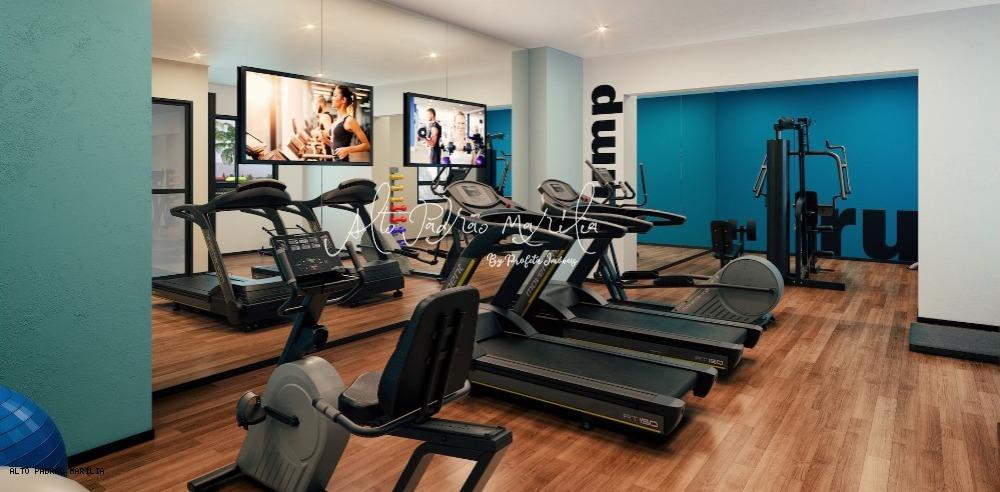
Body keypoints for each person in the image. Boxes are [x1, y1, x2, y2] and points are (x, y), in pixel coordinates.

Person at [329, 85, 370, 162]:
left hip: (342, 164)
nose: (332, 98)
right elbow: (336, 146)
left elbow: (366, 145)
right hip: (334, 163)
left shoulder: (349, 120)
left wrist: (348, 149)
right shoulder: (336, 121)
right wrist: (325, 140)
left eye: (335, 96)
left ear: (343, 100)